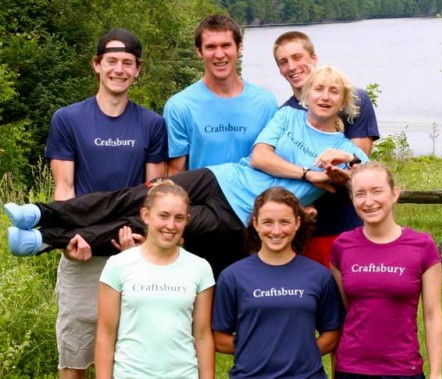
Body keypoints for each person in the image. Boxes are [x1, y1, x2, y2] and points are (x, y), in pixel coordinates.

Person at [6, 66, 368, 276]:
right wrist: (308, 173)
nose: (324, 95)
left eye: (333, 91)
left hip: (239, 216)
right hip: (218, 176)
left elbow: (365, 181)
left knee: (152, 225)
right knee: (134, 196)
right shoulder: (287, 115)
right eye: (318, 88)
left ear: (343, 100)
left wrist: (339, 168)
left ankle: (42, 240)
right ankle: (38, 211)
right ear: (307, 92)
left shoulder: (349, 152)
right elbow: (260, 157)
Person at [41, 28, 167, 379]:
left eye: (128, 63)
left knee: (135, 355)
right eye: (111, 61)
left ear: (138, 69)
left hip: (134, 252)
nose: (119, 69)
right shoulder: (67, 119)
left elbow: (153, 192)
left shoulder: (153, 124)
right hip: (82, 251)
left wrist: (145, 241)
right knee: (75, 355)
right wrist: (68, 241)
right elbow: (63, 189)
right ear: (97, 65)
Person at [212, 186, 345, 378]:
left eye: (284, 222)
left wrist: (301, 353)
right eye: (267, 222)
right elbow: (219, 338)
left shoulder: (319, 275)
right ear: (256, 224)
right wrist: (260, 350)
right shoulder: (232, 276)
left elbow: (332, 334)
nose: (276, 231)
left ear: (297, 223)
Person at [273, 31, 380, 267]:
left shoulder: (354, 101)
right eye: (283, 61)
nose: (292, 67)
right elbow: (275, 168)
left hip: (346, 224)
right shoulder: (284, 115)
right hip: (303, 229)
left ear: (313, 57)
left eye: (297, 57)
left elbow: (359, 168)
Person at [330, 161, 442, 379]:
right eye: (360, 193)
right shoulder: (341, 247)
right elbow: (346, 310)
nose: (369, 201)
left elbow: (432, 315)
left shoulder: (422, 246)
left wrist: (436, 373)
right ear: (352, 199)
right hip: (351, 369)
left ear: (394, 194)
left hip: (404, 369)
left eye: (377, 191)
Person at [95, 180, 215, 379]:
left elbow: (203, 336)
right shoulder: (118, 265)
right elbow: (105, 334)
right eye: (163, 216)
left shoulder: (200, 268)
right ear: (146, 215)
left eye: (179, 218)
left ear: (187, 220)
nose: (171, 225)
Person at [164, 14, 277, 175]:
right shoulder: (180, 107)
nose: (219, 54)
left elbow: (274, 163)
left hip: (255, 199)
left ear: (239, 47)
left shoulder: (266, 103)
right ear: (199, 51)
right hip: (202, 199)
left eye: (226, 45)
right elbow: (176, 174)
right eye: (211, 47)